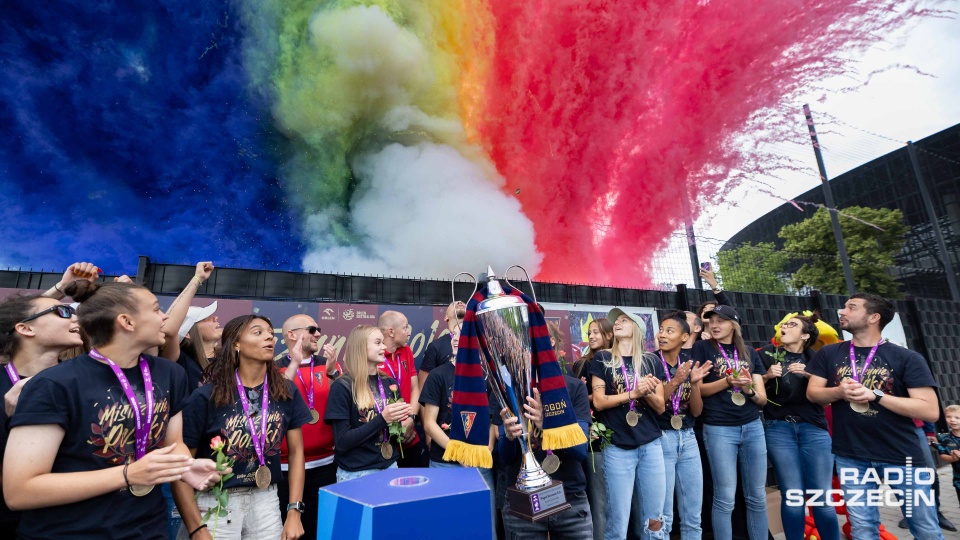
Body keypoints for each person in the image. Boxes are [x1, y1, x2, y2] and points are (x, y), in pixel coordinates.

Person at [3, 281, 222, 540]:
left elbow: (173, 444)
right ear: (126, 322)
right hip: (69, 532)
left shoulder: (170, 374)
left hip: (148, 529)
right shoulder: (54, 384)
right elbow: (20, 491)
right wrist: (128, 474)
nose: (164, 316)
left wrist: (187, 466)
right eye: (155, 309)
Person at [807, 293, 943, 540]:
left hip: (902, 455)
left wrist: (876, 396)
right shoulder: (828, 354)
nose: (842, 311)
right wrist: (839, 391)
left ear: (874, 317)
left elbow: (929, 410)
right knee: (862, 528)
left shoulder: (907, 357)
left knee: (924, 528)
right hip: (851, 454)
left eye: (851, 307)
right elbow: (814, 394)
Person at [174, 314, 310, 540]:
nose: (269, 336)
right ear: (236, 344)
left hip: (266, 500)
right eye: (258, 332)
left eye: (270, 332)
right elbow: (181, 469)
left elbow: (296, 452)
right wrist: (196, 528)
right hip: (217, 501)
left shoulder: (285, 391)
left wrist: (294, 510)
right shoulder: (206, 397)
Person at [0, 294, 85, 536]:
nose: (76, 317)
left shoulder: (86, 382)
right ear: (25, 328)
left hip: (75, 523)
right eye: (63, 312)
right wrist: (15, 423)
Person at [758, 314, 839, 540]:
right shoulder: (765, 355)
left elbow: (828, 399)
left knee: (822, 497)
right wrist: (765, 376)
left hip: (813, 428)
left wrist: (808, 375)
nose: (784, 327)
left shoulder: (818, 359)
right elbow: (753, 392)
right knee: (792, 495)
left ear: (805, 335)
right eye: (784, 324)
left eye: (792, 325)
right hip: (778, 428)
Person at [691, 304, 768, 540]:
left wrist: (748, 389)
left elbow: (762, 399)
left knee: (757, 496)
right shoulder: (701, 348)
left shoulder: (749, 353)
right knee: (724, 497)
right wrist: (727, 382)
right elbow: (698, 390)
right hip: (718, 429)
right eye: (711, 321)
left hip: (753, 426)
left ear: (733, 324)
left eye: (721, 321)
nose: (714, 325)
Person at [590, 308, 666, 540]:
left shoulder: (652, 360)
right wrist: (633, 393)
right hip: (618, 448)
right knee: (618, 520)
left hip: (651, 446)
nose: (618, 323)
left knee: (654, 517)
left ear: (638, 329)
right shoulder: (602, 358)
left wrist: (647, 392)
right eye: (617, 321)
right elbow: (600, 402)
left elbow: (661, 406)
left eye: (625, 320)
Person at [498, 372, 592, 539]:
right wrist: (509, 437)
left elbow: (580, 450)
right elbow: (505, 458)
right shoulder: (508, 388)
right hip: (522, 502)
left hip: (570, 498)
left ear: (552, 343)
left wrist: (548, 424)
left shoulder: (573, 387)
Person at [419, 324, 496, 516]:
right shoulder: (438, 375)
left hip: (479, 464)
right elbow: (429, 423)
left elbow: (494, 419)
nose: (454, 338)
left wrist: (487, 448)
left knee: (483, 524)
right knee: (444, 524)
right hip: (444, 464)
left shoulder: (488, 376)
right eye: (454, 334)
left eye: (463, 334)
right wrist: (460, 453)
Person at [276, 314, 340, 540]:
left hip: (325, 465)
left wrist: (331, 373)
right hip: (285, 469)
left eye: (318, 329)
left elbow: (340, 406)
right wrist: (294, 363)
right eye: (312, 329)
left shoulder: (327, 365)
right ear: (292, 335)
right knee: (288, 533)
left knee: (321, 531)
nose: (318, 334)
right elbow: (278, 401)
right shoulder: (274, 369)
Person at [325, 325, 411, 482]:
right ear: (361, 348)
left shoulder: (389, 382)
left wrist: (405, 419)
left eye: (383, 342)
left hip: (391, 467)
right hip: (357, 474)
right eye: (378, 343)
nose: (384, 347)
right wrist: (383, 419)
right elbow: (342, 441)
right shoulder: (342, 386)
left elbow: (394, 430)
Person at [656, 311, 712, 540]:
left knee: (692, 515)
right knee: (663, 514)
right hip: (660, 438)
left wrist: (695, 384)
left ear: (684, 337)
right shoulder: (650, 361)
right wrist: (677, 381)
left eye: (670, 331)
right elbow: (658, 406)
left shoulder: (689, 365)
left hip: (688, 438)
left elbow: (697, 411)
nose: (662, 335)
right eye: (661, 330)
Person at [572, 317, 614, 540]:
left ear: (609, 334)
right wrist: (596, 396)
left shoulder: (619, 361)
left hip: (624, 437)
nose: (592, 336)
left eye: (597, 332)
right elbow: (576, 399)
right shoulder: (581, 364)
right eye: (590, 333)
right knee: (599, 500)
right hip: (594, 438)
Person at [377, 311, 422, 466]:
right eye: (405, 327)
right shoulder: (373, 355)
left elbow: (415, 388)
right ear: (391, 332)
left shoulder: (406, 351)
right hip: (384, 440)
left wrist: (412, 419)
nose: (409, 332)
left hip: (410, 435)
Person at [418, 301, 465, 388]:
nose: (460, 302)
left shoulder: (480, 342)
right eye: (453, 303)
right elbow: (423, 386)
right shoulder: (436, 346)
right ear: (446, 317)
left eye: (463, 303)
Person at [936, 405, 960, 508]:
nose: (952, 420)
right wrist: (953, 458)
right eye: (948, 417)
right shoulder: (944, 438)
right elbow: (943, 455)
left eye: (957, 417)